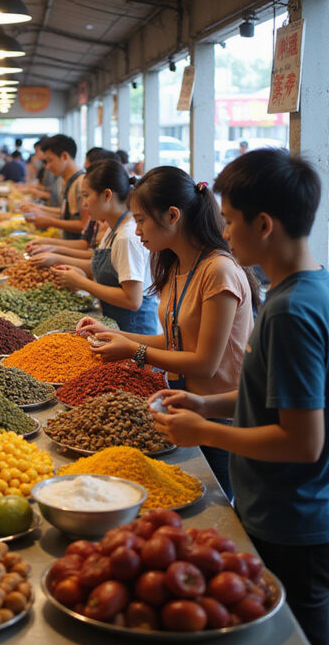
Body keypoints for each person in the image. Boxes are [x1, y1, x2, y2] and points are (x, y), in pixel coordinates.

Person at [151, 149, 329, 645]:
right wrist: (208, 404)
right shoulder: (306, 290)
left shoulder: (291, 313)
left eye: (229, 221)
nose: (224, 233)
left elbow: (303, 441)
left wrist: (205, 431)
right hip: (287, 507)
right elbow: (276, 396)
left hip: (292, 515)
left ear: (265, 225)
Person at [77, 165, 257, 498]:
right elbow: (176, 341)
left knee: (216, 504)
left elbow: (204, 362)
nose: (137, 229)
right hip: (182, 406)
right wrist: (116, 335)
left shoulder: (218, 270)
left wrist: (134, 351)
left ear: (172, 215)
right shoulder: (174, 264)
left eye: (142, 220)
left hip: (218, 417)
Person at [51, 159, 160, 333]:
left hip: (134, 332)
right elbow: (108, 267)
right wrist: (75, 271)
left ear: (107, 195)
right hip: (117, 327)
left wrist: (83, 282)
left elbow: (132, 300)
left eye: (86, 196)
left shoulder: (127, 237)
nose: (84, 204)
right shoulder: (113, 228)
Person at [21, 134, 89, 240]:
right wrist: (40, 210)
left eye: (50, 160)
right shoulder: (66, 180)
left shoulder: (82, 183)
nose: (47, 166)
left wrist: (49, 221)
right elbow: (65, 213)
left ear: (64, 156)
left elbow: (84, 225)